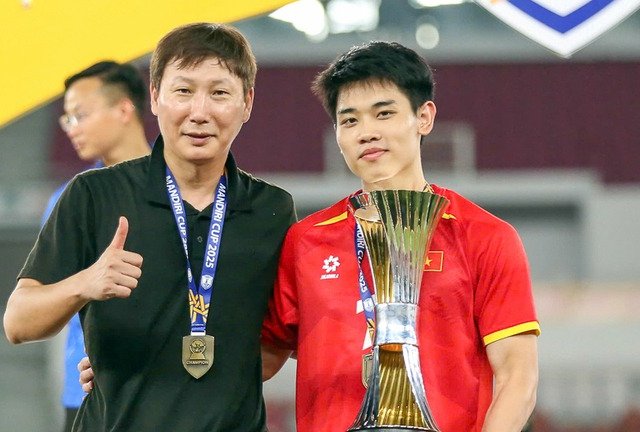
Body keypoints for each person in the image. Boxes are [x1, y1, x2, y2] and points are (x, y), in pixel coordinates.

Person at [4, 22, 295, 432]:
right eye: (183, 91)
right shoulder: (93, 194)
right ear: (155, 97)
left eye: (219, 93)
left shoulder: (271, 209)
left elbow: (283, 335)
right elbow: (18, 322)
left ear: (247, 102)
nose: (199, 112)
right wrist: (85, 283)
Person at [260, 41, 540, 432]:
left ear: (424, 117)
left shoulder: (485, 237)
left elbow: (517, 377)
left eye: (384, 113)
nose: (366, 133)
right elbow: (263, 359)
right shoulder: (306, 240)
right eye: (349, 121)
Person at [42, 60, 151, 432]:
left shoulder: (184, 185)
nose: (72, 128)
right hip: (89, 393)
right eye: (67, 119)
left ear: (124, 109)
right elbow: (40, 298)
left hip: (170, 388)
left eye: (81, 115)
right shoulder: (68, 200)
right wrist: (87, 282)